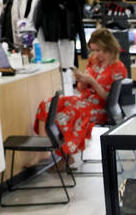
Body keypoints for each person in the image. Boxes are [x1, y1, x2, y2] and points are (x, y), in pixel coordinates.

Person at [33, 26, 127, 164]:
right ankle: (43, 150)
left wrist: (93, 82)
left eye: (98, 50)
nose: (95, 54)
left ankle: (65, 156)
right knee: (47, 104)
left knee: (66, 115)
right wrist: (81, 80)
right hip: (84, 101)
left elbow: (108, 99)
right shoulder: (94, 61)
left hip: (100, 108)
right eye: (93, 50)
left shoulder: (118, 68)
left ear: (109, 48)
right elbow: (82, 89)